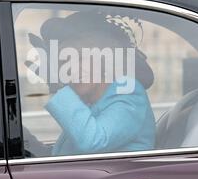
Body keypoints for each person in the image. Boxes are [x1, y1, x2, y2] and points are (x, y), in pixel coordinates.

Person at [24, 10, 156, 157]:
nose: (71, 69)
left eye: (80, 58)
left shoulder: (129, 93)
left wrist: (58, 86)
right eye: (64, 62)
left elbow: (93, 141)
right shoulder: (89, 102)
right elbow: (64, 155)